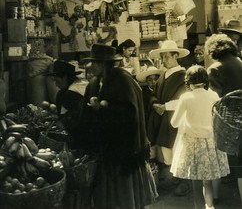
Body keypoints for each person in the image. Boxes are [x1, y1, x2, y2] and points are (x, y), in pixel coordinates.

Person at [80, 43, 158, 209]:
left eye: (94, 63)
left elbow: (129, 113)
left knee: (125, 196)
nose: (90, 66)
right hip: (107, 149)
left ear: (103, 64)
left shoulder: (122, 79)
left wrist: (102, 109)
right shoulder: (97, 82)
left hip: (124, 151)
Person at [170, 65, 230, 209]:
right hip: (210, 141)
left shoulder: (185, 98)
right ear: (205, 80)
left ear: (188, 81)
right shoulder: (213, 95)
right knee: (207, 181)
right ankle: (210, 206)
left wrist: (187, 117)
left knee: (196, 183)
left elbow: (174, 123)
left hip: (192, 143)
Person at [147, 39, 191, 196]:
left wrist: (164, 107)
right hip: (161, 117)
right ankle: (175, 177)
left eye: (166, 57)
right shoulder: (163, 75)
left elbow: (183, 99)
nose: (164, 60)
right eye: (162, 57)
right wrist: (154, 105)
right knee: (166, 150)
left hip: (175, 117)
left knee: (177, 148)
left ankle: (183, 182)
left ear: (175, 56)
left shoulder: (183, 75)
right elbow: (153, 94)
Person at [205, 33, 242, 203]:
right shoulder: (240, 62)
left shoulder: (214, 68)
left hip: (228, 120)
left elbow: (214, 100)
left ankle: (216, 197)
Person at [46, 59, 85, 149]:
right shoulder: (80, 85)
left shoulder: (70, 94)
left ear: (65, 78)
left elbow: (64, 119)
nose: (56, 84)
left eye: (57, 81)